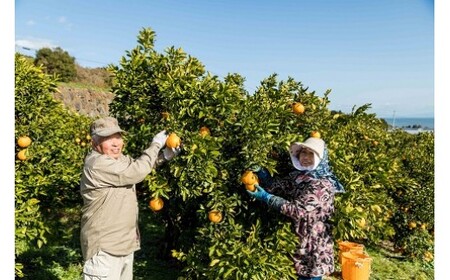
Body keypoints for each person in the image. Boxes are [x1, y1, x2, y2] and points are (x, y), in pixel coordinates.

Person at [79, 116, 179, 280]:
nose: (115, 143)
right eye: (107, 138)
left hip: (125, 245)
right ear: (94, 143)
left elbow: (137, 166)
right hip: (105, 248)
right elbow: (135, 172)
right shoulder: (97, 164)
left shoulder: (119, 159)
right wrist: (155, 145)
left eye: (117, 137)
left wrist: (163, 157)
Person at [247, 137, 344, 280]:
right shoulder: (300, 177)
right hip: (298, 240)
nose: (305, 157)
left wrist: (267, 198)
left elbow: (298, 211)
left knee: (309, 276)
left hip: (313, 245)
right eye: (303, 153)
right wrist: (261, 173)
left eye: (311, 153)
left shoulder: (322, 185)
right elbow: (277, 186)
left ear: (320, 158)